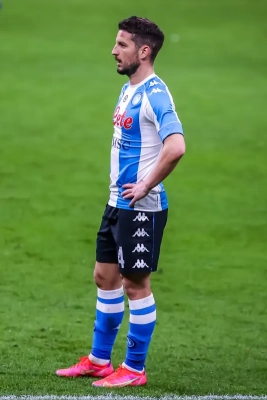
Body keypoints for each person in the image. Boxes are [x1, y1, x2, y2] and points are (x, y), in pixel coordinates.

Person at [55, 16, 186, 388]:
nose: (114, 50)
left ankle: (134, 369)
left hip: (140, 207)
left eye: (122, 45)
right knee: (105, 277)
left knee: (135, 284)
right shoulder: (130, 88)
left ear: (143, 51)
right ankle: (99, 361)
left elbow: (176, 146)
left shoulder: (155, 94)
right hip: (117, 203)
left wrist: (145, 185)